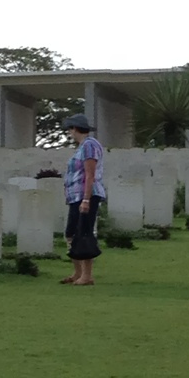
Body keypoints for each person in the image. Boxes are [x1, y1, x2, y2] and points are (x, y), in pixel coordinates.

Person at [58, 119, 107, 285]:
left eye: (70, 129)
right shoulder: (82, 146)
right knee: (71, 233)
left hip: (86, 196)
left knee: (84, 233)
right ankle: (77, 273)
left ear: (75, 129)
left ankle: (87, 275)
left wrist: (86, 199)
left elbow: (89, 174)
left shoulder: (89, 145)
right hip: (75, 196)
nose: (69, 133)